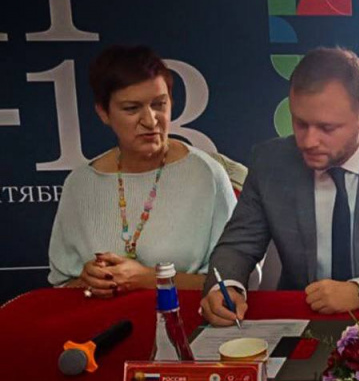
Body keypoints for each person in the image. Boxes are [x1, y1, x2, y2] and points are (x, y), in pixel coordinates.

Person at [201, 47, 359, 325]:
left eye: (327, 128)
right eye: (300, 123)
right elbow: (238, 246)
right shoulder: (270, 162)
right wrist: (225, 286)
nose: (309, 141)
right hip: (302, 316)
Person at [48, 45, 236, 293]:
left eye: (159, 104)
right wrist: (89, 281)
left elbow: (234, 284)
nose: (150, 121)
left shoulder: (207, 174)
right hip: (104, 318)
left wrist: (150, 279)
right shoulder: (80, 183)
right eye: (131, 108)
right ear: (104, 113)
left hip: (185, 315)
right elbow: (62, 286)